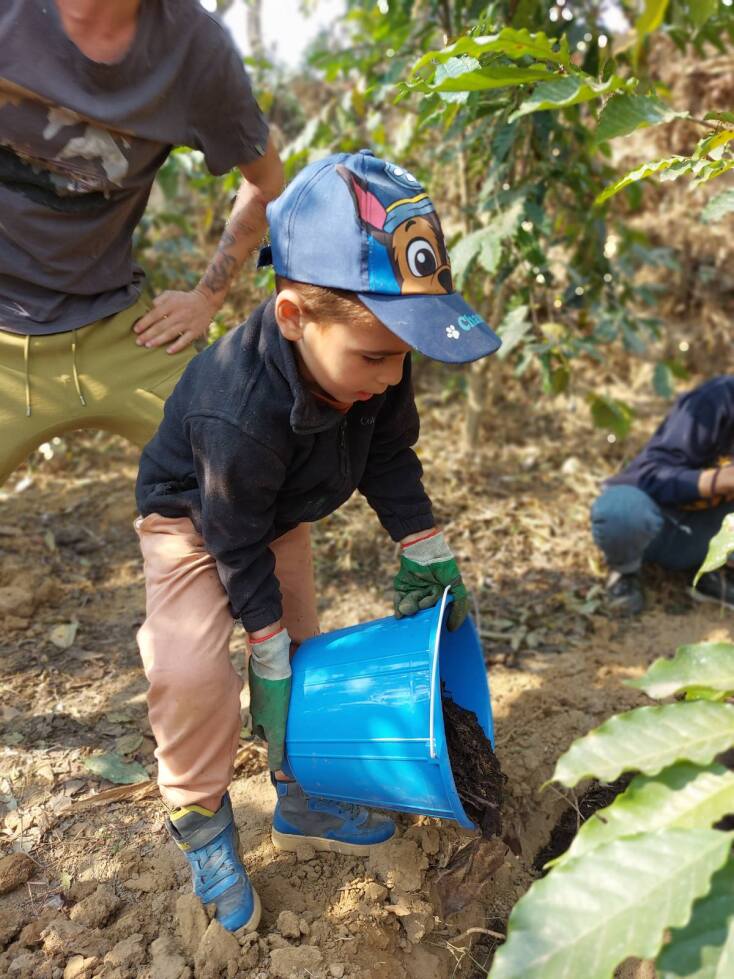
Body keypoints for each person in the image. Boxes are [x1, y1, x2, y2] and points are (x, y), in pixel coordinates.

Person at [134, 149, 502, 932]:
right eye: (375, 354)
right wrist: (256, 640)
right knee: (194, 672)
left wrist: (423, 543)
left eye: (403, 354)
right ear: (295, 316)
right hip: (197, 520)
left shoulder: (375, 365)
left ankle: (300, 791)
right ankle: (202, 823)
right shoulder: (237, 408)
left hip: (277, 513)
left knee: (305, 660)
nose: (390, 373)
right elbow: (231, 537)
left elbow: (390, 456)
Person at [0, 0, 283, 485]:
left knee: (254, 481)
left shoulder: (194, 48)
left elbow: (265, 181)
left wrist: (207, 297)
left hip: (118, 330)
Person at [591, 375, 734, 615]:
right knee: (621, 510)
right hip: (657, 523)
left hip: (708, 534)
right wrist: (719, 481)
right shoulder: (716, 401)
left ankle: (715, 573)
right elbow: (649, 474)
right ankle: (624, 571)